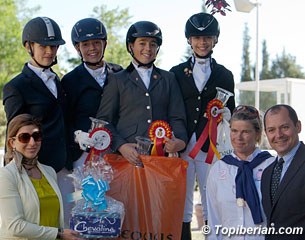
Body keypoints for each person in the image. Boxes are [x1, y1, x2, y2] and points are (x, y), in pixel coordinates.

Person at [169, 12, 235, 239]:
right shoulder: (176, 73)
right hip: (182, 145)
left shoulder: (225, 74)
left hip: (211, 148)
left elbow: (231, 112)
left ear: (216, 39)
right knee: (183, 201)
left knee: (210, 200)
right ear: (189, 40)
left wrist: (227, 114)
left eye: (207, 37)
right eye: (197, 38)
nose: (202, 42)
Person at [96, 20, 188, 164]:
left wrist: (181, 141)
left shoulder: (168, 78)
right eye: (142, 43)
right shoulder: (117, 79)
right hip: (127, 157)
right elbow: (104, 121)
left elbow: (177, 117)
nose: (148, 48)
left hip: (160, 158)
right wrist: (121, 146)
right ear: (131, 45)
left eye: (153, 44)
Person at [60, 18, 123, 226]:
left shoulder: (120, 73)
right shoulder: (69, 80)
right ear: (78, 48)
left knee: (115, 204)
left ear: (104, 44)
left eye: (96, 42)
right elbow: (65, 118)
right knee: (82, 204)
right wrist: (76, 135)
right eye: (85, 45)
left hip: (114, 153)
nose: (92, 48)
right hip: (83, 155)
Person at [0, 113, 81, 240]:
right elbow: (15, 226)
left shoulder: (49, 172)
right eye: (24, 137)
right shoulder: (6, 175)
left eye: (36, 136)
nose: (32, 143)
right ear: (12, 143)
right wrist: (59, 233)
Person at [2, 17, 67, 173]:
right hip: (35, 169)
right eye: (43, 46)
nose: (49, 51)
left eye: (53, 46)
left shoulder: (57, 80)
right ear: (28, 46)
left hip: (64, 165)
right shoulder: (16, 87)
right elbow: (13, 134)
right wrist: (13, 173)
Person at [206, 105, 274, 240]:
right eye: (234, 131)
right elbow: (213, 220)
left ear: (258, 133)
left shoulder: (271, 166)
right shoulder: (218, 169)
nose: (239, 137)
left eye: (245, 132)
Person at [261, 104, 305, 240]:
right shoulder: (267, 173)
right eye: (271, 130)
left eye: (284, 127)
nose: (278, 135)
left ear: (298, 126)